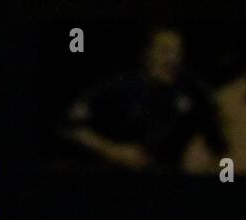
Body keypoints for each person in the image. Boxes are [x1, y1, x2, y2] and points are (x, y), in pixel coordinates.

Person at [64, 28, 226, 174]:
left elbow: (217, 140)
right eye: (165, 51)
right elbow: (72, 127)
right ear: (147, 53)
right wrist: (115, 151)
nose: (173, 59)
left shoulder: (192, 91)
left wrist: (206, 158)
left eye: (178, 52)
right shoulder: (117, 87)